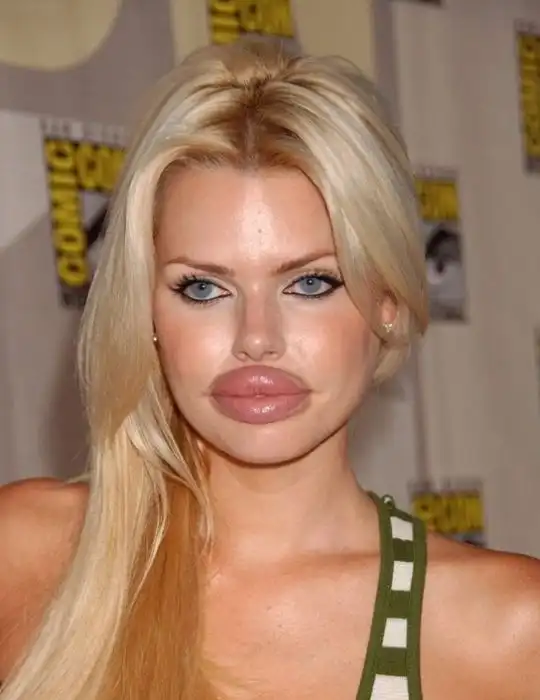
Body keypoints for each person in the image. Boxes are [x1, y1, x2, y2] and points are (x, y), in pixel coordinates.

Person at [0, 38, 539, 700]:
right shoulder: (25, 553)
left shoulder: (507, 631)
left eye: (310, 283)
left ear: (388, 304)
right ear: (144, 312)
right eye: (203, 288)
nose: (256, 338)